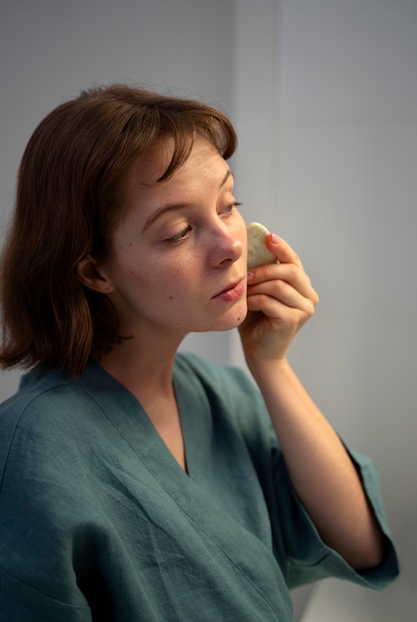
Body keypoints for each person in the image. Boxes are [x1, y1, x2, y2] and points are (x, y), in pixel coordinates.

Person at [0, 84, 398, 621]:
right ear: (95, 270)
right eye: (181, 230)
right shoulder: (29, 453)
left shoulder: (221, 395)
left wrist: (271, 365)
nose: (232, 244)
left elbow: (361, 547)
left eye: (229, 205)